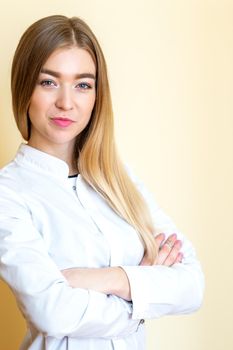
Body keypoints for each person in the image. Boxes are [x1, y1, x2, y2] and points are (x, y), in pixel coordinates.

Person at [0, 15, 204, 350]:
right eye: (49, 82)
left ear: (97, 95)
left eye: (83, 84)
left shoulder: (119, 181)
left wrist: (105, 279)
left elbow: (192, 284)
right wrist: (142, 294)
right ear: (24, 87)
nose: (67, 102)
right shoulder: (8, 193)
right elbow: (53, 312)